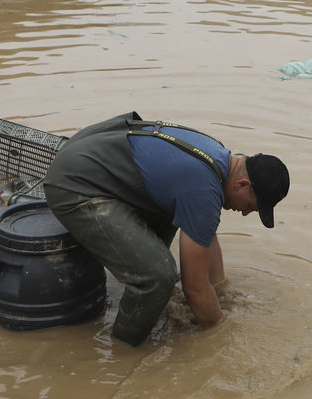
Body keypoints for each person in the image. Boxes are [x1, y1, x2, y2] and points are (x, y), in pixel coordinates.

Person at [42, 112, 290, 345]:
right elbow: (194, 289)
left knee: (171, 227)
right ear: (243, 184)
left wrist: (222, 291)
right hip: (74, 184)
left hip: (93, 154)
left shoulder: (220, 158)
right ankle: (122, 347)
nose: (245, 213)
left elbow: (205, 232)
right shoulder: (203, 189)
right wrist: (220, 335)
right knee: (158, 277)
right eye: (251, 206)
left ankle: (139, 294)